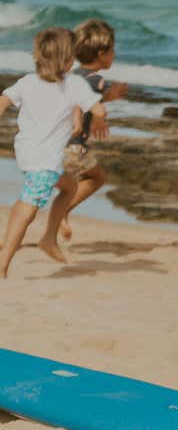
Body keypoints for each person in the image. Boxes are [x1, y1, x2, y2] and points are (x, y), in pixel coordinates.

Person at [2, 27, 104, 276]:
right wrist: (99, 120)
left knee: (68, 187)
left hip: (26, 154)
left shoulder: (27, 81)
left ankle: (48, 238)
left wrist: (75, 116)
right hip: (44, 162)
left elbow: (2, 101)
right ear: (68, 59)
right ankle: (3, 264)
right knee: (29, 208)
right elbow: (99, 110)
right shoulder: (74, 84)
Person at [50, 17, 126, 245]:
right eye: (112, 50)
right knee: (96, 177)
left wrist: (105, 101)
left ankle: (58, 214)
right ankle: (62, 211)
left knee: (69, 182)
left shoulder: (72, 76)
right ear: (102, 53)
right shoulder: (97, 80)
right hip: (73, 145)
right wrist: (100, 118)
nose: (114, 55)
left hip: (55, 142)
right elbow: (94, 101)